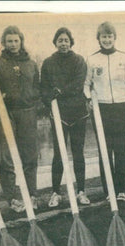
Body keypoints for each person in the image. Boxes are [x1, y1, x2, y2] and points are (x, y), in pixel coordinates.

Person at [85, 21, 125, 202]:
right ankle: (109, 191)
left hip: (121, 107)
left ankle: (122, 190)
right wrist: (88, 99)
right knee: (104, 151)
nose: (107, 40)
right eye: (103, 37)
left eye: (109, 36)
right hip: (101, 109)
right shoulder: (92, 60)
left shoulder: (124, 58)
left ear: (114, 38)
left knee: (121, 149)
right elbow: (86, 84)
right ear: (98, 39)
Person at [40, 27, 90, 208]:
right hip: (58, 114)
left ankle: (81, 191)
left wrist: (59, 91)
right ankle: (56, 192)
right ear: (55, 42)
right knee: (59, 154)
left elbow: (78, 84)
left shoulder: (79, 60)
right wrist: (48, 99)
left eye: (66, 40)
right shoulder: (48, 63)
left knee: (78, 153)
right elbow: (44, 89)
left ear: (71, 42)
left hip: (78, 113)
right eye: (60, 40)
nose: (63, 43)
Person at [0, 25, 41, 212]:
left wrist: (31, 97)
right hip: (6, 113)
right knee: (7, 157)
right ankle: (12, 198)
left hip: (28, 111)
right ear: (4, 43)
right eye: (9, 41)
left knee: (30, 155)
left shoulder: (30, 63)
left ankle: (32, 195)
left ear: (21, 41)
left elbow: (37, 86)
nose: (13, 44)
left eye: (16, 41)